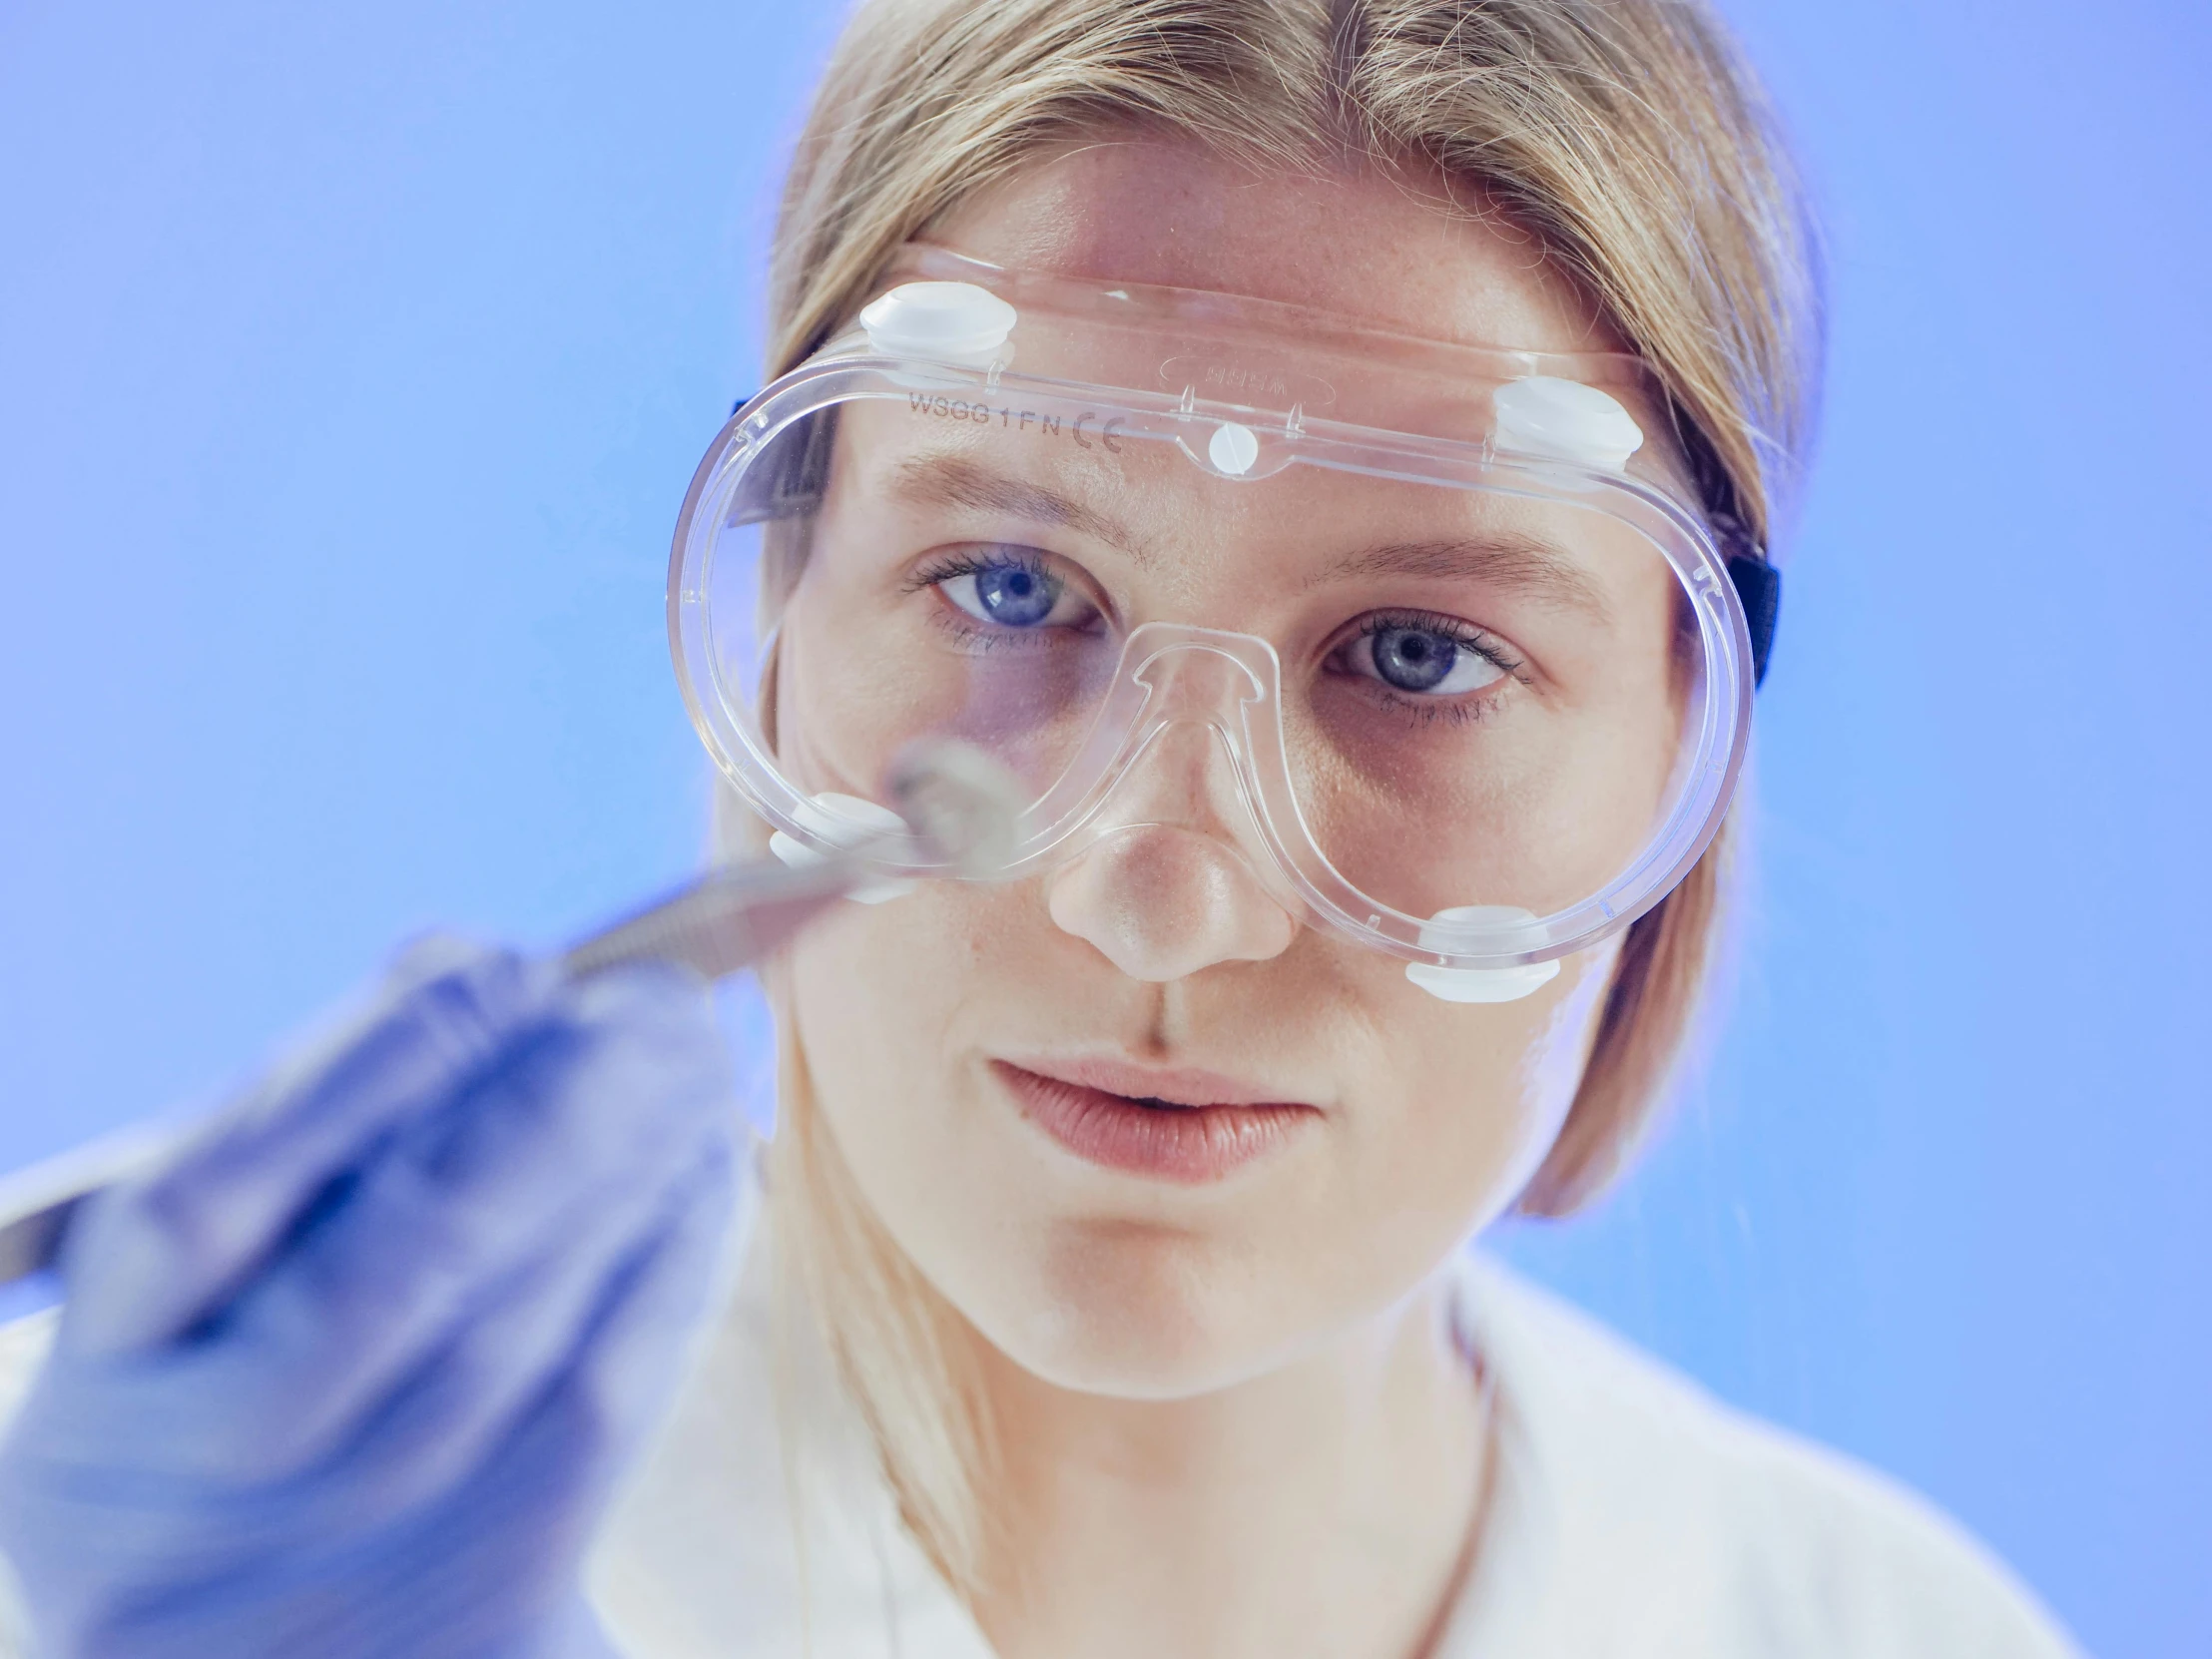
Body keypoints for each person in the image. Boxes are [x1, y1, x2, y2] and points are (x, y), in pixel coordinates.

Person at [0, 2, 2084, 1655]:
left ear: (1681, 754)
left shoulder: (1879, 1631)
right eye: (1009, 587)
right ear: (782, 618)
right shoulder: (138, 1554)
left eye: (1419, 655)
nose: (1160, 894)